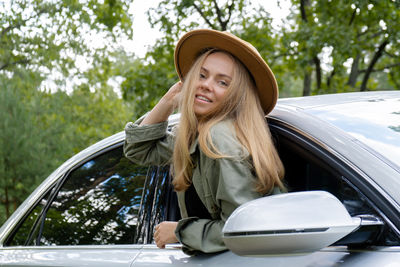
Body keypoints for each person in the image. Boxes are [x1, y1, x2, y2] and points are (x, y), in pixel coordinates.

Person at [124, 29, 285, 255]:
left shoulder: (218, 139)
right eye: (201, 75)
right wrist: (170, 99)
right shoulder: (194, 138)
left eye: (222, 82)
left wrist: (180, 232)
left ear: (237, 96)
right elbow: (138, 149)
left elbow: (243, 231)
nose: (206, 85)